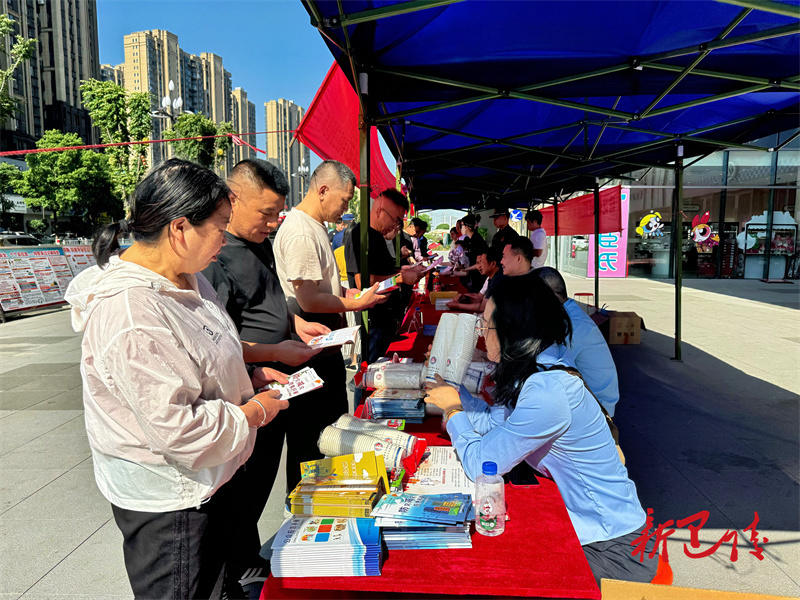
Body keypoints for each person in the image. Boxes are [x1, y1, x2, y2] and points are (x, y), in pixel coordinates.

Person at [64, 158, 290, 599]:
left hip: (211, 480)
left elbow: (206, 352)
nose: (224, 239)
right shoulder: (131, 313)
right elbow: (178, 429)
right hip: (173, 503)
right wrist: (254, 412)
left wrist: (248, 374)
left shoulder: (187, 278)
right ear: (180, 229)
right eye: (220, 227)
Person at [423, 275, 657, 586]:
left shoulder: (548, 390)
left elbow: (482, 464)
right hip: (591, 531)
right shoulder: (538, 368)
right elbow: (495, 425)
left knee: (493, 574)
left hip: (612, 547)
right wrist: (453, 392)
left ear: (513, 330)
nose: (481, 334)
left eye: (486, 326)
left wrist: (454, 411)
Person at [202, 159, 342, 596]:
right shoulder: (217, 258)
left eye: (278, 212)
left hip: (278, 384)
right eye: (265, 212)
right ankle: (236, 571)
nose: (273, 222)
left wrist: (294, 325)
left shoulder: (259, 244)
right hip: (248, 391)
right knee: (242, 489)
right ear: (233, 200)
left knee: (262, 480)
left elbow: (269, 301)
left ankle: (248, 560)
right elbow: (219, 341)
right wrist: (274, 352)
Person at [273, 160, 387, 406]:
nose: (345, 208)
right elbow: (309, 300)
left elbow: (319, 283)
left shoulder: (315, 226)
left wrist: (344, 291)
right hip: (312, 348)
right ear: (323, 190)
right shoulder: (301, 232)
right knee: (320, 422)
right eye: (344, 200)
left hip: (323, 346)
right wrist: (358, 304)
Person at [343, 188, 423, 363]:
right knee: (373, 367)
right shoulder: (360, 235)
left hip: (386, 316)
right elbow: (364, 282)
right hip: (373, 319)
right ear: (380, 211)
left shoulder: (378, 236)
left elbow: (385, 270)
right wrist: (401, 277)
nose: (396, 226)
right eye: (396, 220)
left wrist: (404, 271)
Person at [533, 267, 619, 416]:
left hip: (598, 410)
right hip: (592, 402)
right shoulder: (567, 312)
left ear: (550, 296)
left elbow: (545, 369)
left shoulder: (571, 324)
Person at [447, 246, 502, 313]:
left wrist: (457, 305)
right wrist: (463, 297)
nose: (478, 267)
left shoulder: (498, 280)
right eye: (478, 263)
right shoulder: (491, 278)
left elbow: (482, 307)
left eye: (481, 262)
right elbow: (480, 298)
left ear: (492, 264)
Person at [460, 213, 488, 292]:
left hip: (480, 277)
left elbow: (479, 264)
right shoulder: (471, 239)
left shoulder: (476, 240)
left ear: (467, 227)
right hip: (474, 276)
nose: (461, 228)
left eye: (462, 225)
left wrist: (465, 269)